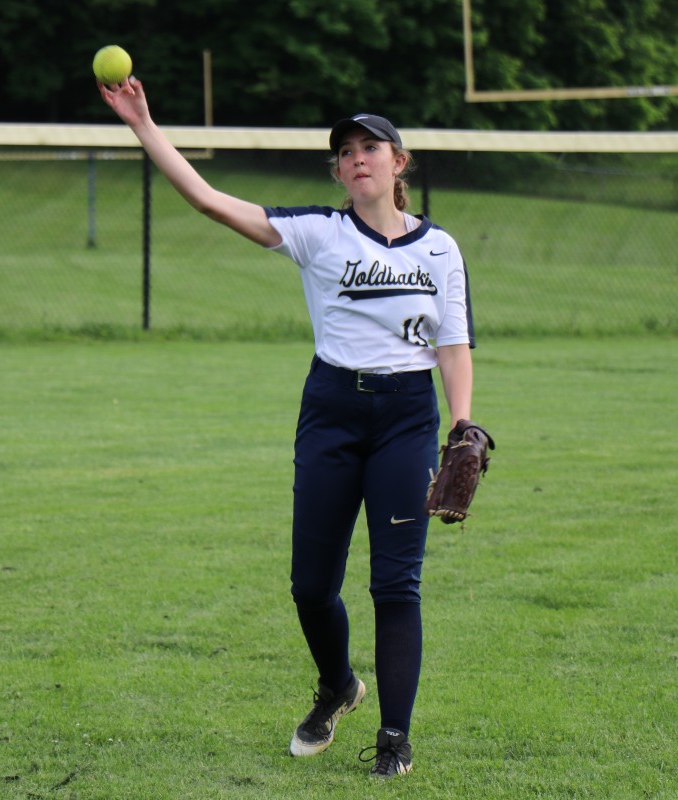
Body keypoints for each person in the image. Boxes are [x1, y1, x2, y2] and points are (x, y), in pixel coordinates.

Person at [99, 76, 475, 779]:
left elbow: (452, 346)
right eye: (345, 151)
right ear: (338, 172)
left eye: (372, 146)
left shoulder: (440, 250)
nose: (357, 157)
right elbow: (211, 202)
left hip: (405, 417)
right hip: (331, 411)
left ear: (400, 162)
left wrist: (461, 425)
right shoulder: (317, 233)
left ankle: (394, 740)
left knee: (396, 585)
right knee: (310, 585)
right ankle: (338, 685)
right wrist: (144, 125)